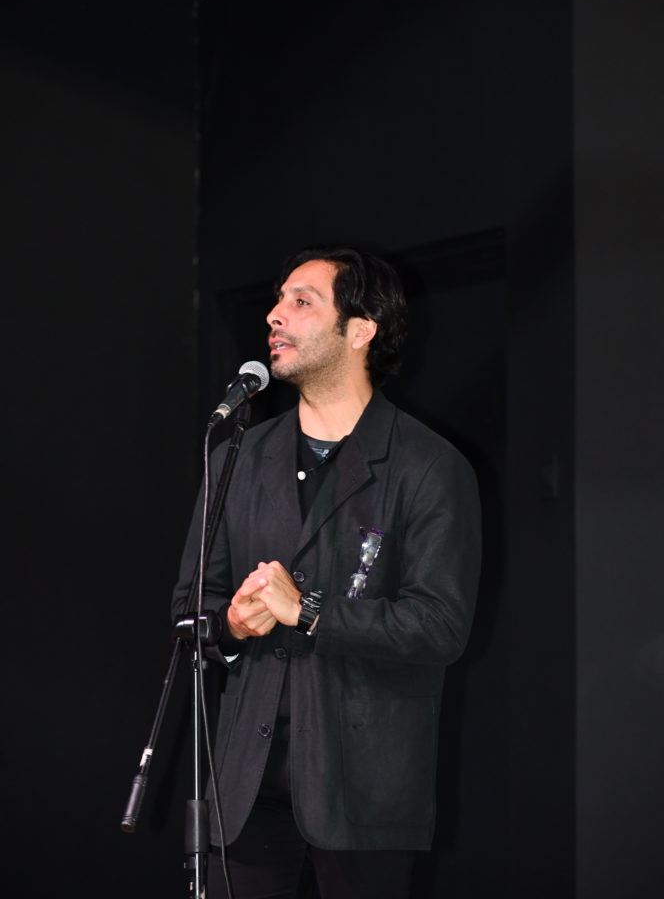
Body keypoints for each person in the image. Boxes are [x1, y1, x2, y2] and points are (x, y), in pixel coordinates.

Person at [171, 244, 481, 899]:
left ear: (360, 330)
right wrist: (230, 623)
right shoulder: (237, 457)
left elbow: (439, 626)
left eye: (301, 301)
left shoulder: (428, 466)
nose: (274, 316)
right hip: (244, 790)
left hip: (362, 792)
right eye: (277, 300)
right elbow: (189, 611)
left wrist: (308, 612)